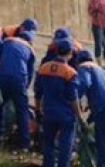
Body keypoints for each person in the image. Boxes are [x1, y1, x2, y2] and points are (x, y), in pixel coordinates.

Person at [34, 38, 85, 167]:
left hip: (49, 112)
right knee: (65, 144)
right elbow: (73, 98)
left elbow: (38, 92)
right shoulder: (70, 72)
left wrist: (38, 109)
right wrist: (79, 116)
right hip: (65, 115)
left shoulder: (43, 68)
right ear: (70, 53)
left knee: (48, 143)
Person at [0, 30, 36, 149]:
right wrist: (24, 87)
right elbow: (30, 73)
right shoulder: (30, 50)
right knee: (22, 111)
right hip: (19, 79)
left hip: (2, 77)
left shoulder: (7, 41)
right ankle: (24, 143)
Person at [76, 49, 105, 167]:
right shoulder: (101, 69)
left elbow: (84, 83)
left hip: (104, 107)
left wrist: (76, 98)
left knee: (103, 141)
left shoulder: (84, 67)